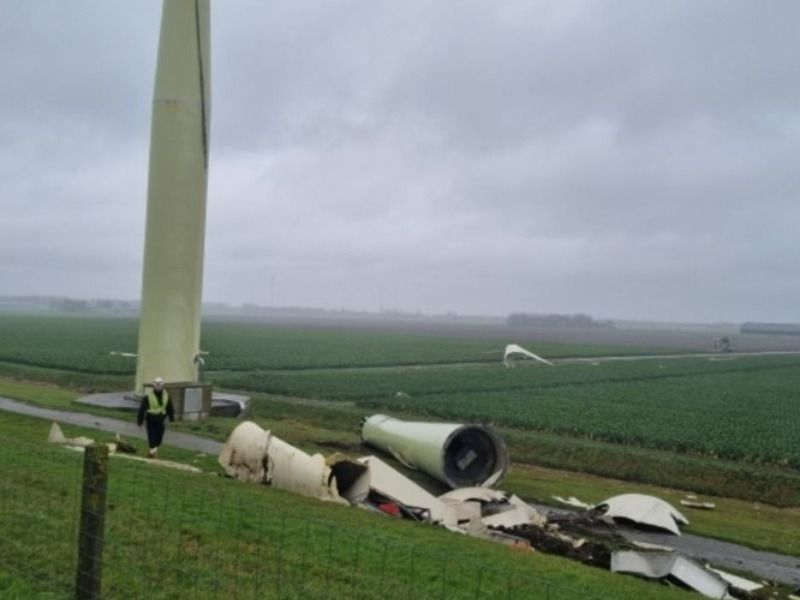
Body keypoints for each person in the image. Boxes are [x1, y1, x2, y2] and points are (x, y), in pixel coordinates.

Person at [137, 376, 175, 458]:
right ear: (153, 386)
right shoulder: (148, 397)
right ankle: (152, 452)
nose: (158, 387)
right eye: (156, 385)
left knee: (159, 437)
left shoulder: (166, 396)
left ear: (162, 386)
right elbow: (142, 410)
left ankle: (154, 450)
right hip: (151, 420)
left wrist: (171, 418)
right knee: (152, 436)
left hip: (161, 420)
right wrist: (140, 421)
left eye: (159, 385)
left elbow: (170, 407)